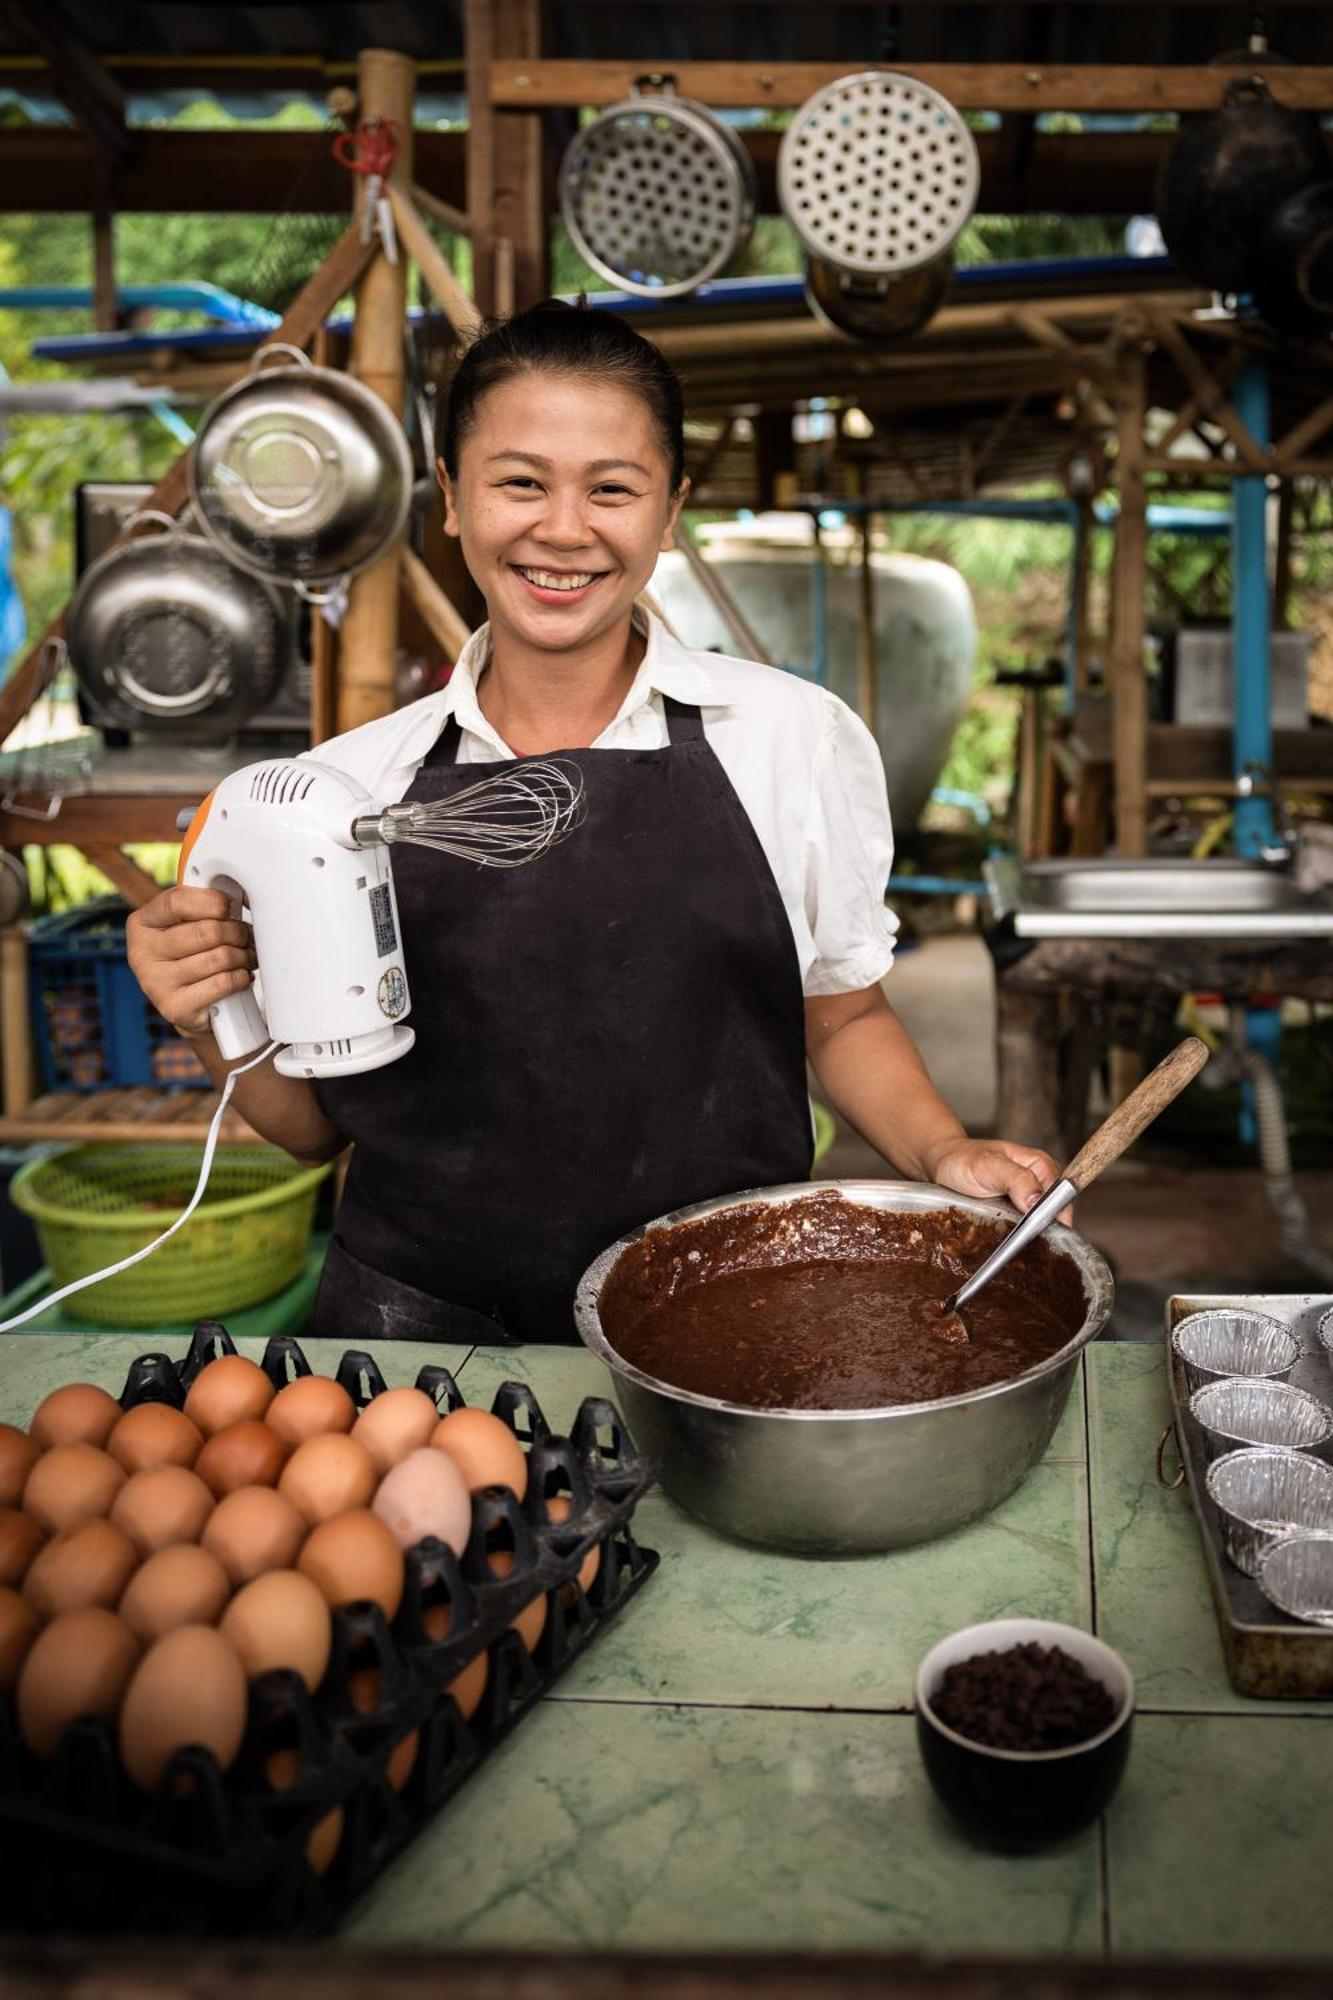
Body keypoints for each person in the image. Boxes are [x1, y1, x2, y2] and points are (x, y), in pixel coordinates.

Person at [127, 300, 1062, 1345]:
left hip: (717, 1319)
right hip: (414, 1328)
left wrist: (940, 1150)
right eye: (519, 481)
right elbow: (308, 1134)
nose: (563, 529)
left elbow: (841, 1016)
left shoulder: (785, 736)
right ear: (451, 498)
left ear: (668, 514)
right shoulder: (348, 791)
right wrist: (212, 1011)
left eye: (611, 489)